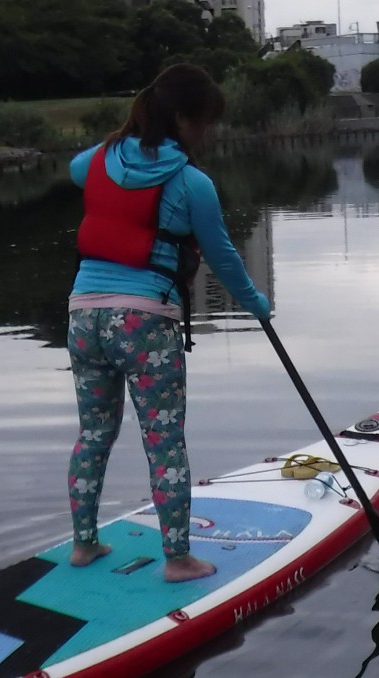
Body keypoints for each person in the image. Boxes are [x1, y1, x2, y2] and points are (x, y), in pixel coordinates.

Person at [66, 62, 270, 583]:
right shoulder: (190, 183)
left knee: (94, 434)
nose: (206, 132)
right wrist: (254, 304)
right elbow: (223, 257)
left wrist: (124, 146)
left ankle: (84, 545)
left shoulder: (100, 159)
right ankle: (178, 559)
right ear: (181, 118)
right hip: (144, 325)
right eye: (202, 122)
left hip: (83, 317)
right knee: (164, 439)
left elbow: (75, 168)